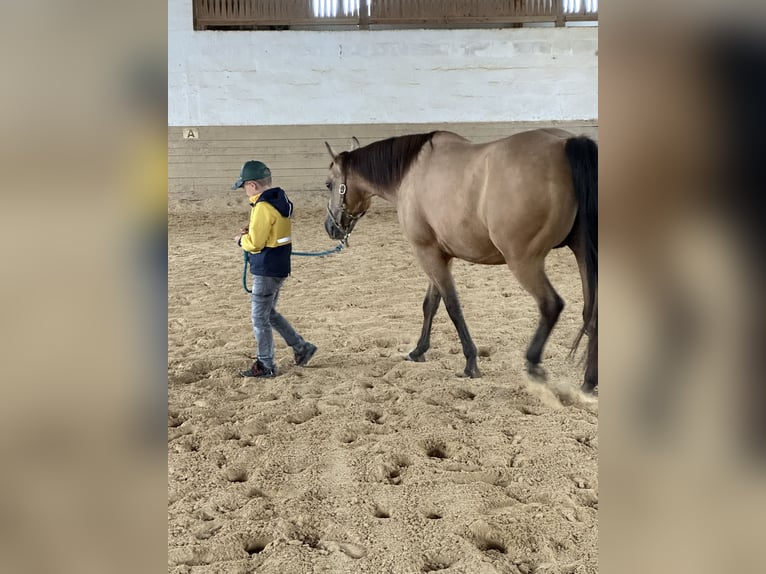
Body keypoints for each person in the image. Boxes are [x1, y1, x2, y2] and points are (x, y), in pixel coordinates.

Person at [232, 160, 317, 377]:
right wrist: (251, 230)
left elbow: (256, 243)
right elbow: (271, 231)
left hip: (266, 268)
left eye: (244, 186)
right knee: (269, 314)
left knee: (259, 318)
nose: (244, 191)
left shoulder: (261, 206)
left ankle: (266, 364)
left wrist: (241, 240)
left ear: (252, 185)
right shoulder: (281, 201)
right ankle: (301, 347)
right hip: (279, 266)